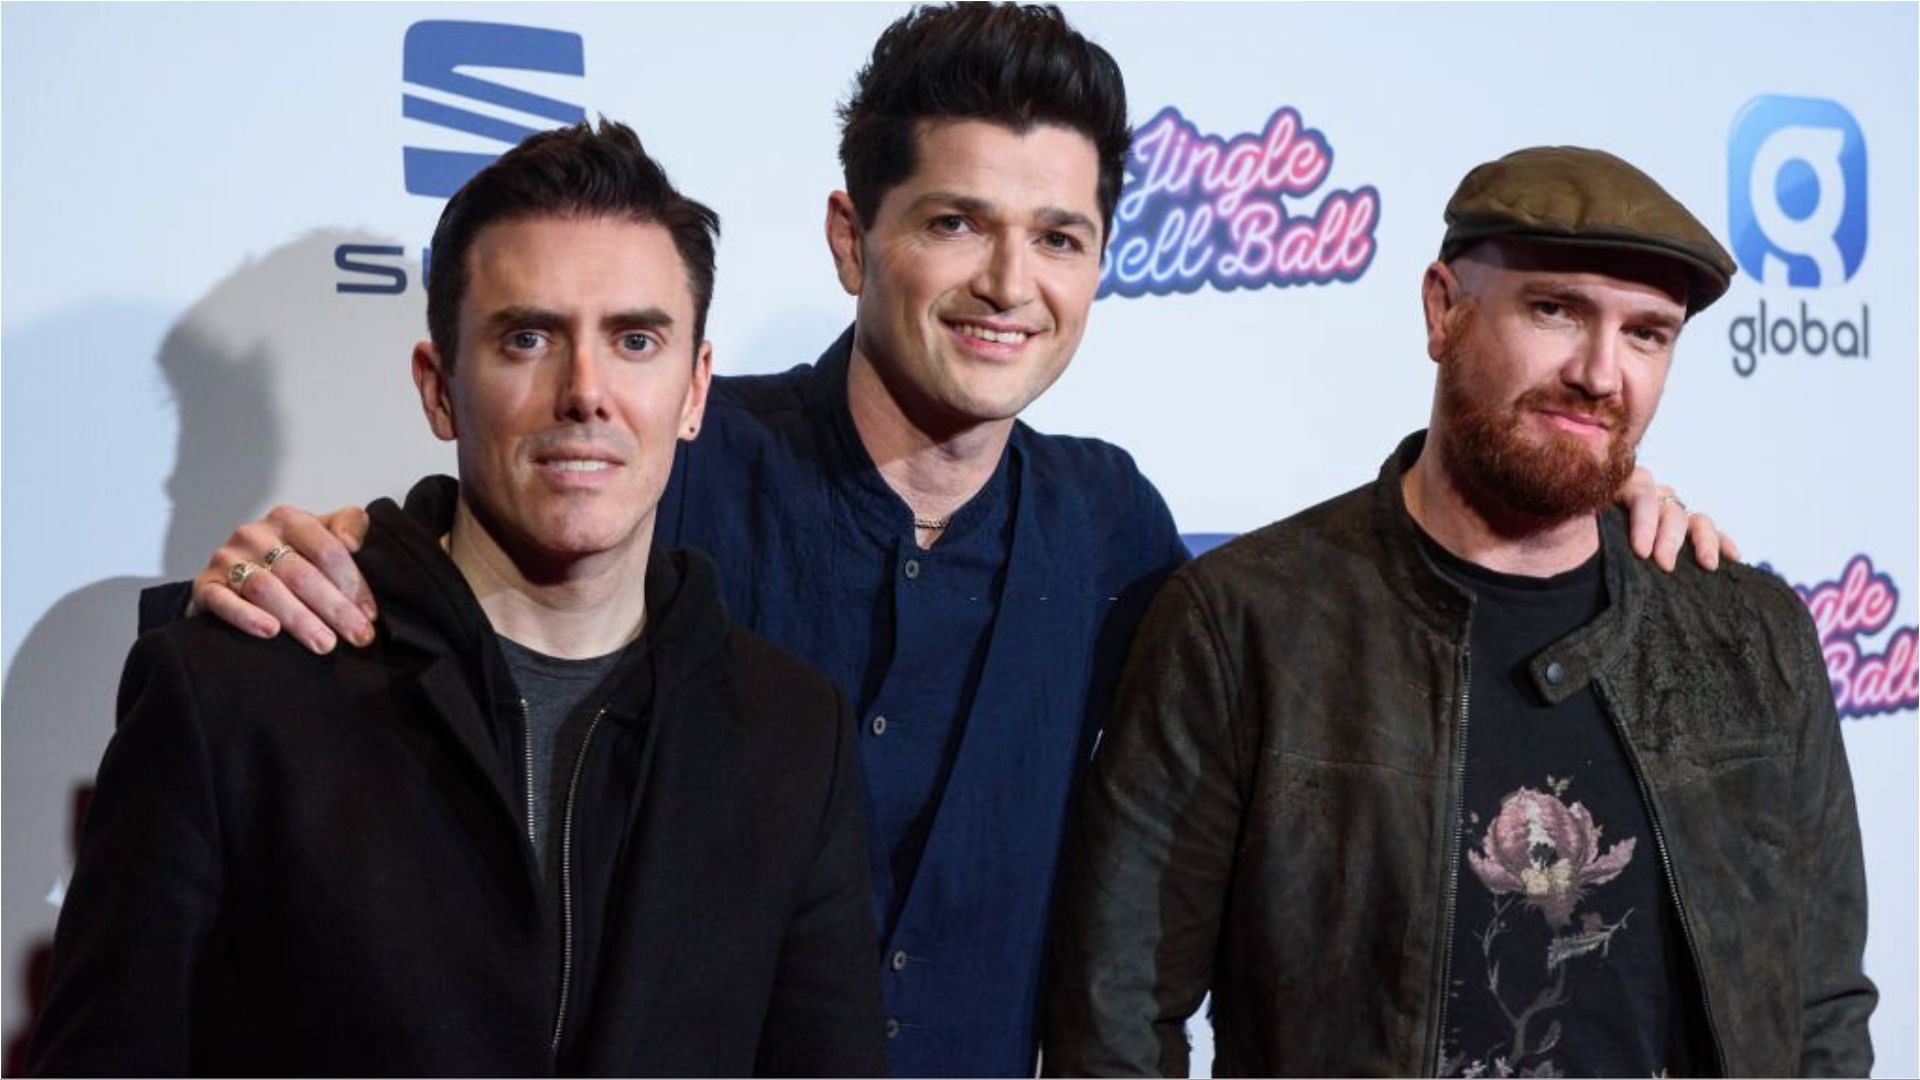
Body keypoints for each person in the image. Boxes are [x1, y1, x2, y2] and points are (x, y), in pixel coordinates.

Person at [142, 7, 1734, 1075]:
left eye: (1060, 237)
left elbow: (1370, 598)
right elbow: (489, 527)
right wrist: (333, 544)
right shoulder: (678, 458)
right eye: (957, 222)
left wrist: (1612, 509)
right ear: (856, 236)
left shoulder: (1118, 530)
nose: (1007, 285)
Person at [30, 120, 885, 1076]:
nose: (586, 393)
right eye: (528, 338)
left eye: (635, 339)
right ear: (439, 389)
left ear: (693, 391)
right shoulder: (236, 687)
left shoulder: (792, 735)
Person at [1042, 146, 1875, 1078]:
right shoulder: (1243, 624)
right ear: (1444, 309)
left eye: (1647, 334)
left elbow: (1820, 1009)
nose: (1602, 374)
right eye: (1556, 310)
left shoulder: (1751, 635)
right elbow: (1115, 1012)